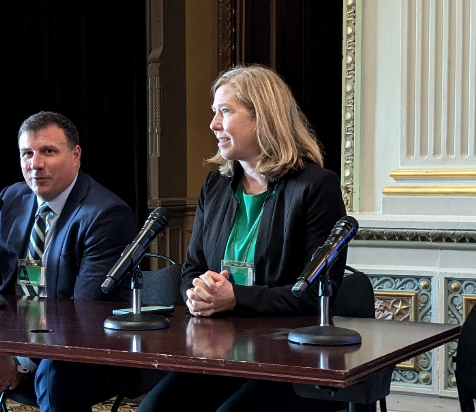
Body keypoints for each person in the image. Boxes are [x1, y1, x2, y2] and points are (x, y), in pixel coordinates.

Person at [137, 65, 348, 412]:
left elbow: (313, 295)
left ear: (262, 117)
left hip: (290, 359)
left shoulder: (315, 187)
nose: (213, 124)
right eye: (214, 112)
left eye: (225, 111)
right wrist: (197, 293)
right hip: (219, 350)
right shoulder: (215, 185)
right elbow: (193, 266)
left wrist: (236, 297)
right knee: (154, 409)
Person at [0, 111, 152, 412]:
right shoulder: (12, 197)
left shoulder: (105, 214)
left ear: (75, 155)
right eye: (27, 153)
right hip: (13, 341)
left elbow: (85, 312)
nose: (35, 164)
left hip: (83, 354)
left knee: (55, 371)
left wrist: (19, 360)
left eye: (48, 152)